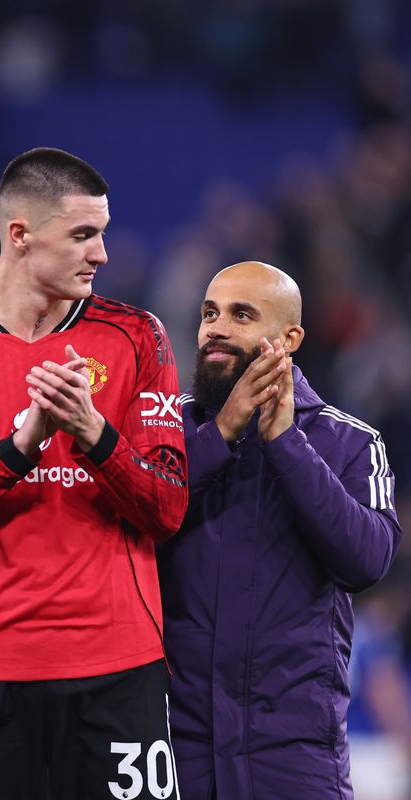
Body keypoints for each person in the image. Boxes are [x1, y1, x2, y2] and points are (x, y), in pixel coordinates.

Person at [0, 147, 189, 799]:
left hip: (117, 668)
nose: (102, 254)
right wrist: (19, 448)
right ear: (19, 236)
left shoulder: (137, 337)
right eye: (83, 234)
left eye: (102, 233)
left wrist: (93, 434)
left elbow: (167, 507)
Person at [158, 261, 401, 799]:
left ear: (288, 338)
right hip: (178, 749)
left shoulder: (350, 442)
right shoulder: (165, 434)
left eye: (241, 315)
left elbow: (366, 561)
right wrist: (219, 436)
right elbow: (132, 528)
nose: (216, 328)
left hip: (294, 756)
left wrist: (287, 442)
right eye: (209, 314)